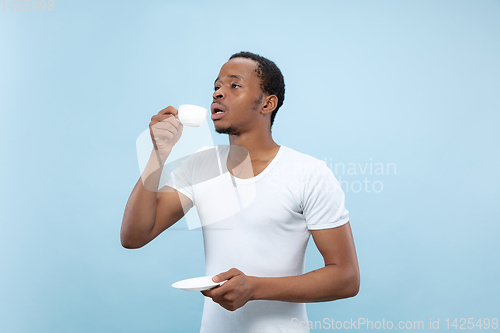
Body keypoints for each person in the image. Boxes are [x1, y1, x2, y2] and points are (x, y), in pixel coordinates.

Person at [121, 51, 360, 333]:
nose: (218, 93)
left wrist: (255, 287)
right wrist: (158, 155)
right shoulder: (200, 165)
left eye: (234, 85)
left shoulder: (308, 173)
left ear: (268, 103)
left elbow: (345, 278)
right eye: (217, 86)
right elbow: (134, 237)